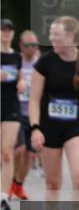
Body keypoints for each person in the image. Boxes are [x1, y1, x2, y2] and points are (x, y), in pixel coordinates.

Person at [28, 17, 79, 210]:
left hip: (75, 127)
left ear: (70, 37)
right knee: (53, 183)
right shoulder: (44, 62)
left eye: (56, 35)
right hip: (48, 128)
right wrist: (35, 128)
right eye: (51, 34)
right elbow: (34, 99)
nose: (51, 38)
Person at [11, 29, 41, 200]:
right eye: (28, 45)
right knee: (19, 149)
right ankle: (9, 181)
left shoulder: (41, 62)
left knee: (30, 154)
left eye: (35, 45)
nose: (32, 48)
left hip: (34, 115)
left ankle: (18, 184)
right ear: (21, 46)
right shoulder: (15, 61)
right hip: (16, 112)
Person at [1, 18, 25, 210]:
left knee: (7, 153)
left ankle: (3, 199)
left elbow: (21, 76)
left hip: (11, 106)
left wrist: (22, 82)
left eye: (9, 29)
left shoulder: (17, 57)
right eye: (3, 29)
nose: (6, 32)